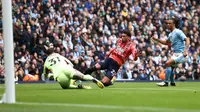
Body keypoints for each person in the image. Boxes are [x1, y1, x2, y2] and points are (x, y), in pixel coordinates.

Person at [152, 17, 190, 86]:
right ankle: (172, 82)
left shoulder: (178, 32)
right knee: (172, 67)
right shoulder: (170, 34)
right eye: (167, 23)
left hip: (182, 54)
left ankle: (166, 82)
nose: (168, 24)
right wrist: (157, 39)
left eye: (170, 23)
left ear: (174, 24)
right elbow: (166, 42)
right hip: (176, 54)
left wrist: (185, 51)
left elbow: (187, 40)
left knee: (167, 63)